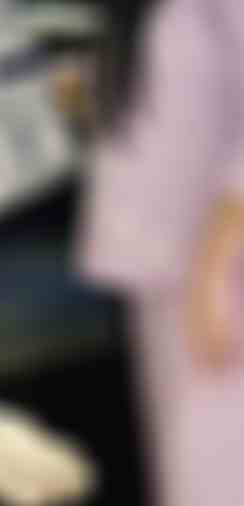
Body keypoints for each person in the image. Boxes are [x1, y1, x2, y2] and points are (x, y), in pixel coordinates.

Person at [79, 1, 244, 504]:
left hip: (216, 266)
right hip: (167, 266)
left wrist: (215, 269)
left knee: (211, 472)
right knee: (185, 465)